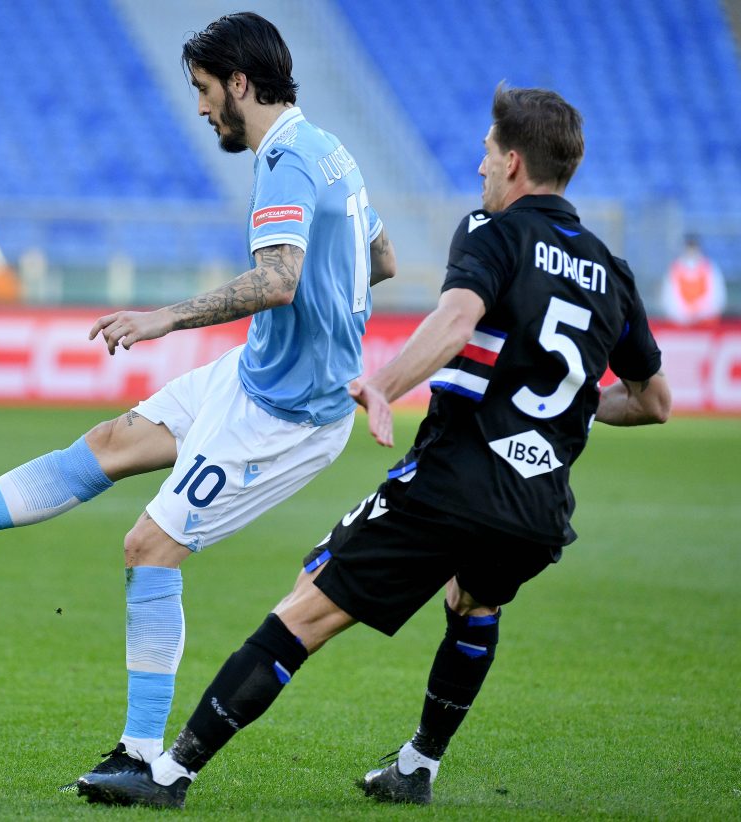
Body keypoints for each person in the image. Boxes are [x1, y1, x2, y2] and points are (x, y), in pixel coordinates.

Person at [0, 11, 396, 791]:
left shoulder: (286, 160)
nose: (201, 109)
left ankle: (141, 758)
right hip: (257, 373)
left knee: (147, 547)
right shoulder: (329, 149)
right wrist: (336, 314)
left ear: (240, 82)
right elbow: (383, 257)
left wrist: (164, 318)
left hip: (286, 416)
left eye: (204, 91)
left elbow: (278, 280)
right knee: (107, 444)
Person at [78, 84, 672, 810]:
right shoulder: (612, 271)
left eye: (487, 152)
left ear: (515, 163)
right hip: (540, 505)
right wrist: (570, 407)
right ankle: (417, 766)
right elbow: (653, 402)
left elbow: (456, 319)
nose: (479, 164)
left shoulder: (494, 232)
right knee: (475, 604)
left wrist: (386, 384)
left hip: (455, 479)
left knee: (307, 608)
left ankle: (167, 776)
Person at [660, 233, 727, 325]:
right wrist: (685, 315)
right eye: (689, 246)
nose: (691, 250)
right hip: (680, 325)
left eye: (693, 246)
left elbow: (717, 298)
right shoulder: (674, 270)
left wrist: (699, 313)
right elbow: (669, 300)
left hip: (706, 324)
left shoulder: (710, 268)